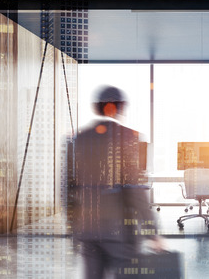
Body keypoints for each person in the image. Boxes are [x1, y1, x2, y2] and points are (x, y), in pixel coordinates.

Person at [68, 86, 164, 278]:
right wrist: (152, 232)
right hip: (120, 233)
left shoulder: (78, 139)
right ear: (117, 107)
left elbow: (69, 189)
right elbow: (135, 190)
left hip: (88, 231)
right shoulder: (128, 137)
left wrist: (74, 226)